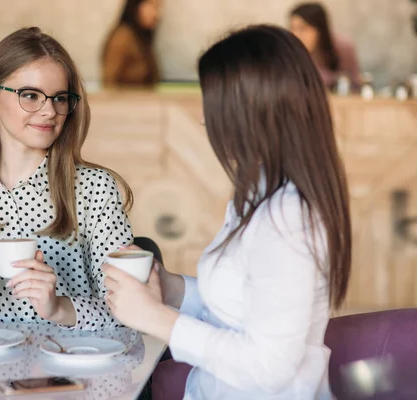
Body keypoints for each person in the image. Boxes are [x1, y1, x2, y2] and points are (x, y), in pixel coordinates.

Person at [102, 25, 351, 399]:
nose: (204, 119)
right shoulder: (260, 191)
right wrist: (169, 289)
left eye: (211, 102)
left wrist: (155, 318)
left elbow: (270, 367)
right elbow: (241, 305)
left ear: (251, 110)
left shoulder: (290, 221)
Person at [0, 27, 134, 330]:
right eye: (30, 95)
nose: (50, 111)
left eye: (60, 98)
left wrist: (57, 307)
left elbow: (131, 311)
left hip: (69, 372)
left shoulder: (96, 188)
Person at [289, 2, 362, 91]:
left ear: (319, 29)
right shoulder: (291, 50)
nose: (296, 34)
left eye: (303, 28)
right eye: (292, 28)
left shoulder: (342, 47)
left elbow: (354, 83)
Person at [101, 0, 161, 88]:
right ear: (136, 6)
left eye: (158, 8)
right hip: (124, 101)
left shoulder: (141, 38)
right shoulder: (122, 37)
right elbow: (109, 82)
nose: (156, 14)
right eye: (151, 6)